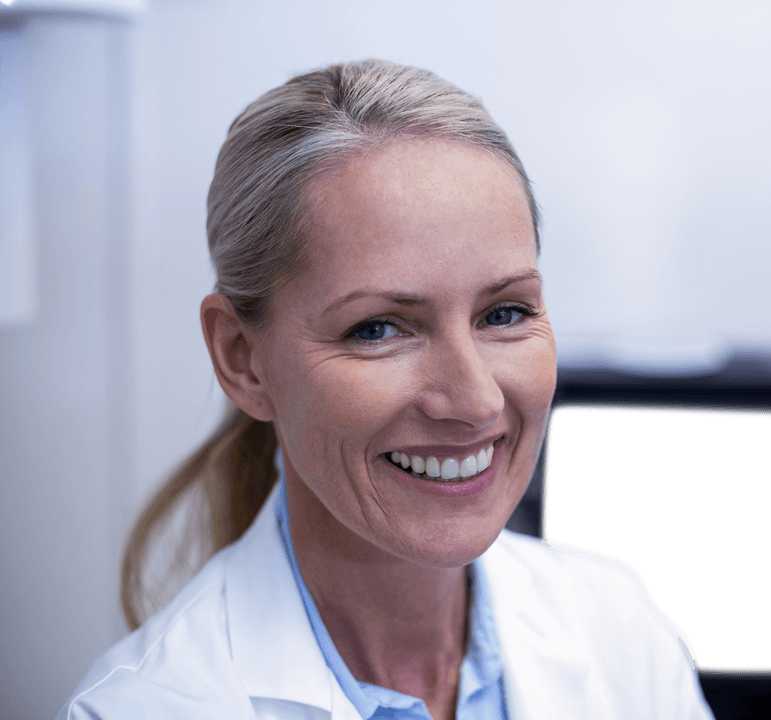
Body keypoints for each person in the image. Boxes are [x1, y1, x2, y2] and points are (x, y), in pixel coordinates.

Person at [57, 59, 715, 720]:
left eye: (504, 314)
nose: (476, 401)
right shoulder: (138, 709)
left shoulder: (620, 632)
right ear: (242, 361)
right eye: (378, 329)